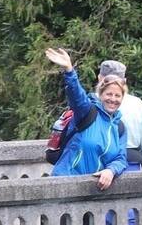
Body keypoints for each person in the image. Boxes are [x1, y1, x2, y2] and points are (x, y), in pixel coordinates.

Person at [45, 47, 129, 191]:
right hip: (66, 183)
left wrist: (111, 170)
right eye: (109, 94)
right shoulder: (86, 111)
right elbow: (76, 95)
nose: (113, 99)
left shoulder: (119, 127)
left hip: (92, 191)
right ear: (101, 94)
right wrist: (69, 71)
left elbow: (121, 159)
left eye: (117, 96)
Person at [98, 59, 142, 171]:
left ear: (100, 78)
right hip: (130, 167)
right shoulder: (137, 105)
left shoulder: (89, 103)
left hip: (98, 168)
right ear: (125, 81)